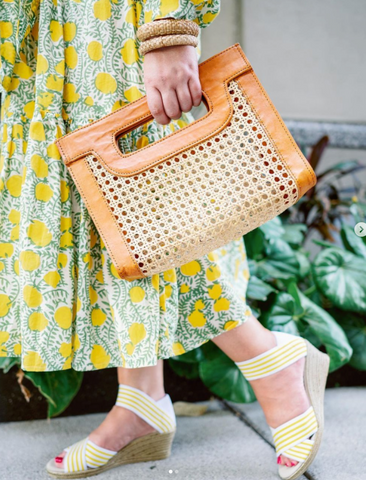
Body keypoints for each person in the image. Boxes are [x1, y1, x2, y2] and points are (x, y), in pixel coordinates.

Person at [0, 1, 328, 479]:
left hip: (100, 22)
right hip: (42, 47)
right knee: (102, 217)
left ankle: (267, 357)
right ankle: (141, 398)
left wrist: (168, 29)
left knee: (142, 206)